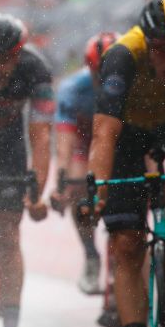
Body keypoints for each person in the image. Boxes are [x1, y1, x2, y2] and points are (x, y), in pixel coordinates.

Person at [86, 0, 165, 327]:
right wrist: (97, 192)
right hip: (129, 135)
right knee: (126, 243)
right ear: (147, 43)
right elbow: (104, 133)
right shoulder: (123, 55)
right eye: (163, 49)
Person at [0, 12, 53, 327]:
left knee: (7, 234)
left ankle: (10, 325)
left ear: (18, 56)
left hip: (9, 147)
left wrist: (35, 192)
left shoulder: (35, 69)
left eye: (3, 61)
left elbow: (41, 137)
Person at [49, 31, 121, 294]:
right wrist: (62, 181)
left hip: (120, 140)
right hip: (85, 141)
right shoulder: (72, 89)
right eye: (96, 74)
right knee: (77, 188)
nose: (102, 81)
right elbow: (65, 143)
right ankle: (91, 254)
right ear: (87, 67)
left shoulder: (134, 81)